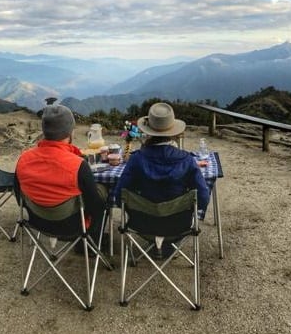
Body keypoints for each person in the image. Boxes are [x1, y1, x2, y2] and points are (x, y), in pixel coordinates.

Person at [110, 102, 210, 259]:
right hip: (178, 225)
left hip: (142, 224)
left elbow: (118, 196)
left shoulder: (136, 160)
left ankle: (157, 243)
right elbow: (203, 197)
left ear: (148, 132)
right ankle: (167, 244)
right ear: (173, 132)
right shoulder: (188, 160)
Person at [14, 104, 107, 249]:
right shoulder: (78, 165)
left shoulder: (23, 160)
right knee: (101, 193)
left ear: (44, 131)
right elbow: (94, 206)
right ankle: (92, 243)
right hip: (74, 228)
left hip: (37, 222)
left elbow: (19, 197)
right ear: (70, 132)